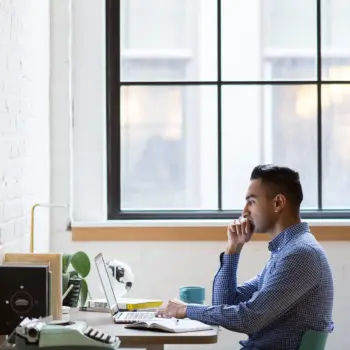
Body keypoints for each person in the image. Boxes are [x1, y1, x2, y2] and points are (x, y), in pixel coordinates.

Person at [158, 165, 334, 350]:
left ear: (278, 203)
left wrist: (185, 310)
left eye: (252, 201)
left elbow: (249, 319)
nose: (244, 212)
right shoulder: (285, 251)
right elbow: (225, 303)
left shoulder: (300, 254)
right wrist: (233, 249)